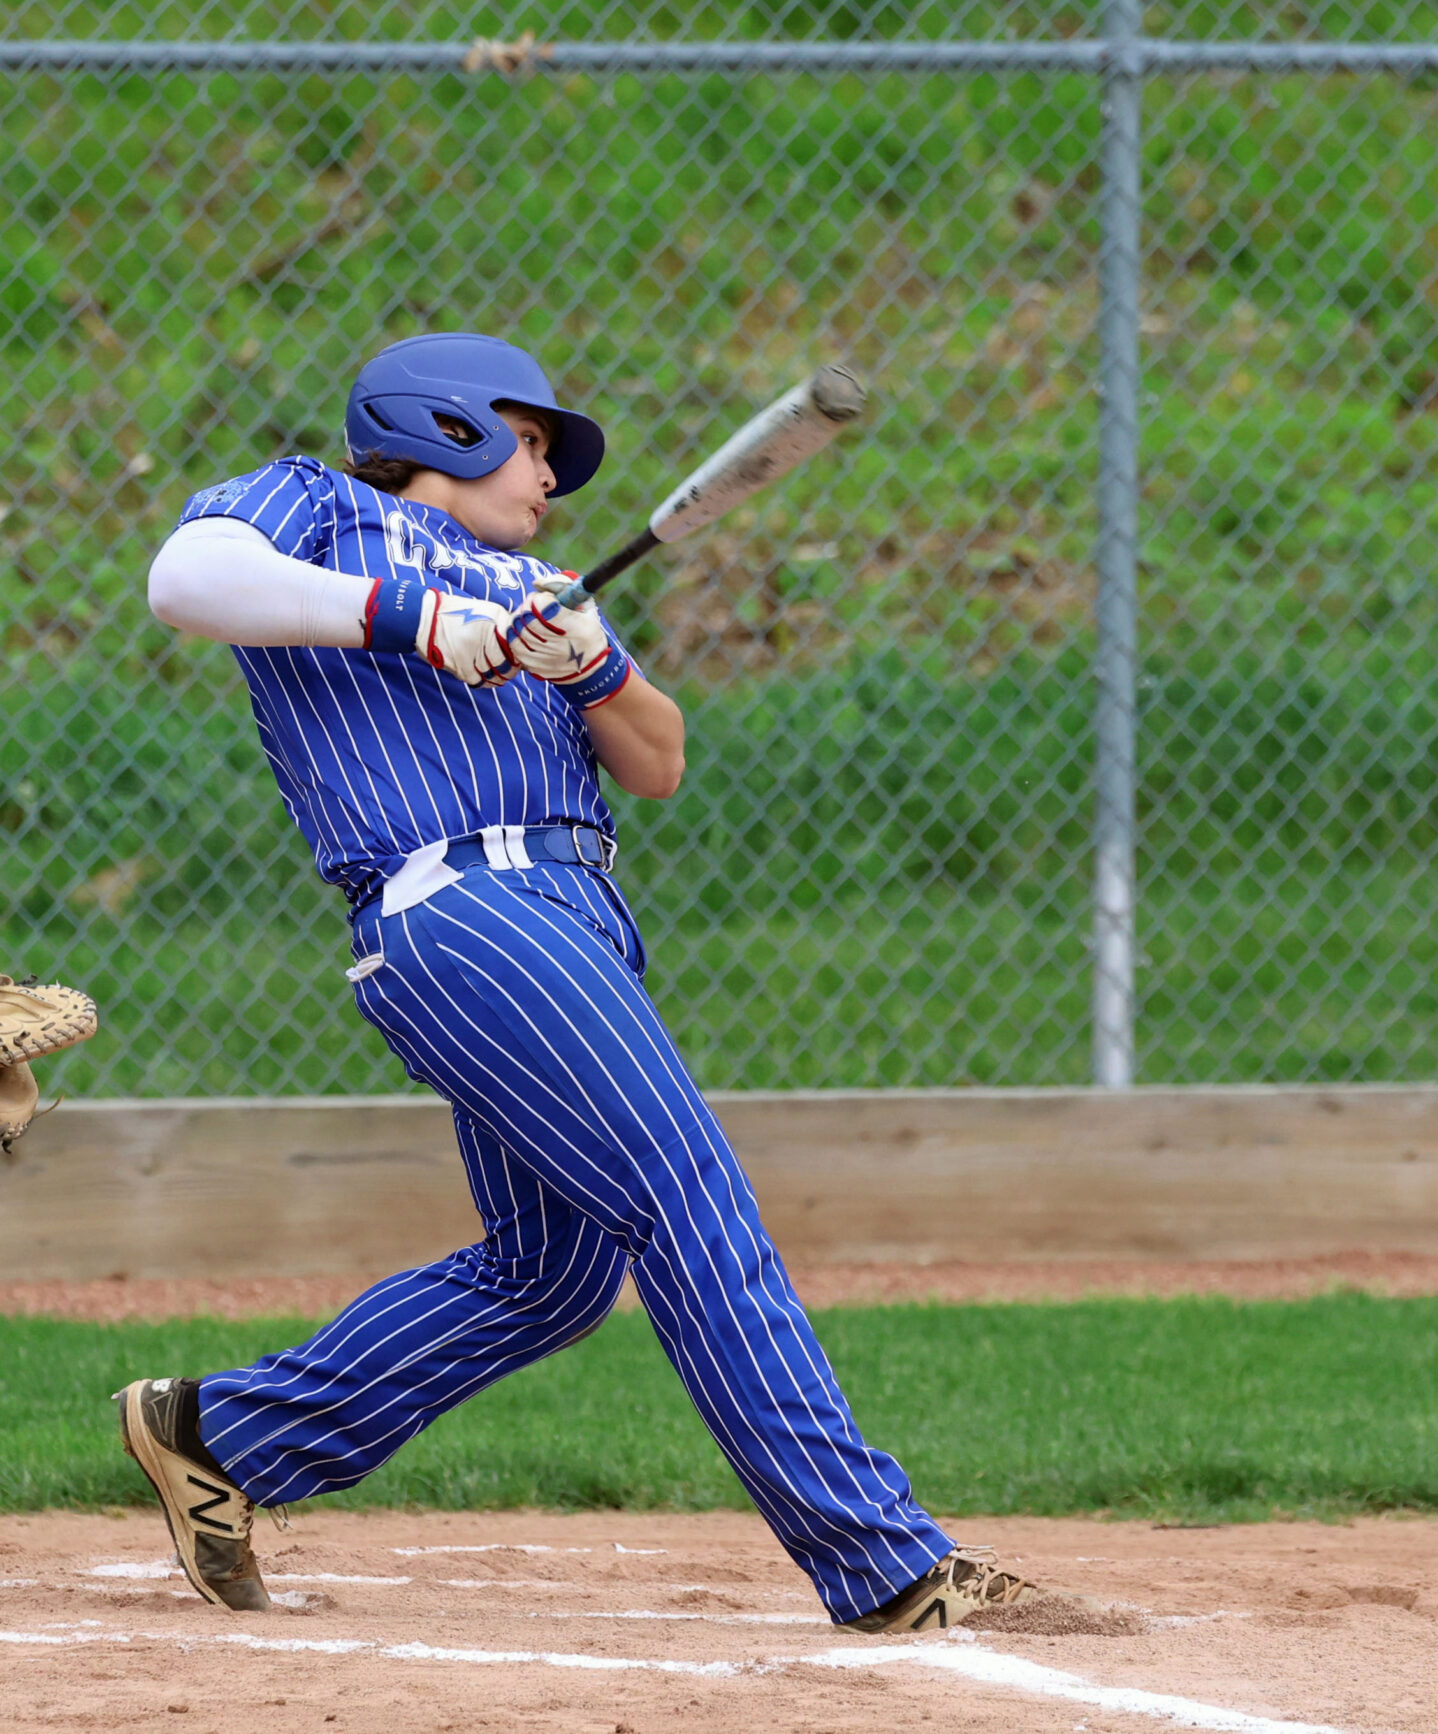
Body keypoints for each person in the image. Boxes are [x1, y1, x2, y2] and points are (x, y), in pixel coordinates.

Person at [125, 332, 1039, 1633]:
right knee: (684, 1191)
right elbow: (187, 577)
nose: (551, 471)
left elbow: (656, 758)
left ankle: (225, 1436)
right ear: (443, 425)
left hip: (573, 913)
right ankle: (885, 1557)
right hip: (460, 900)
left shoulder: (547, 583)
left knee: (549, 1274)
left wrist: (593, 667)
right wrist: (429, 620)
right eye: (534, 438)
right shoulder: (319, 508)